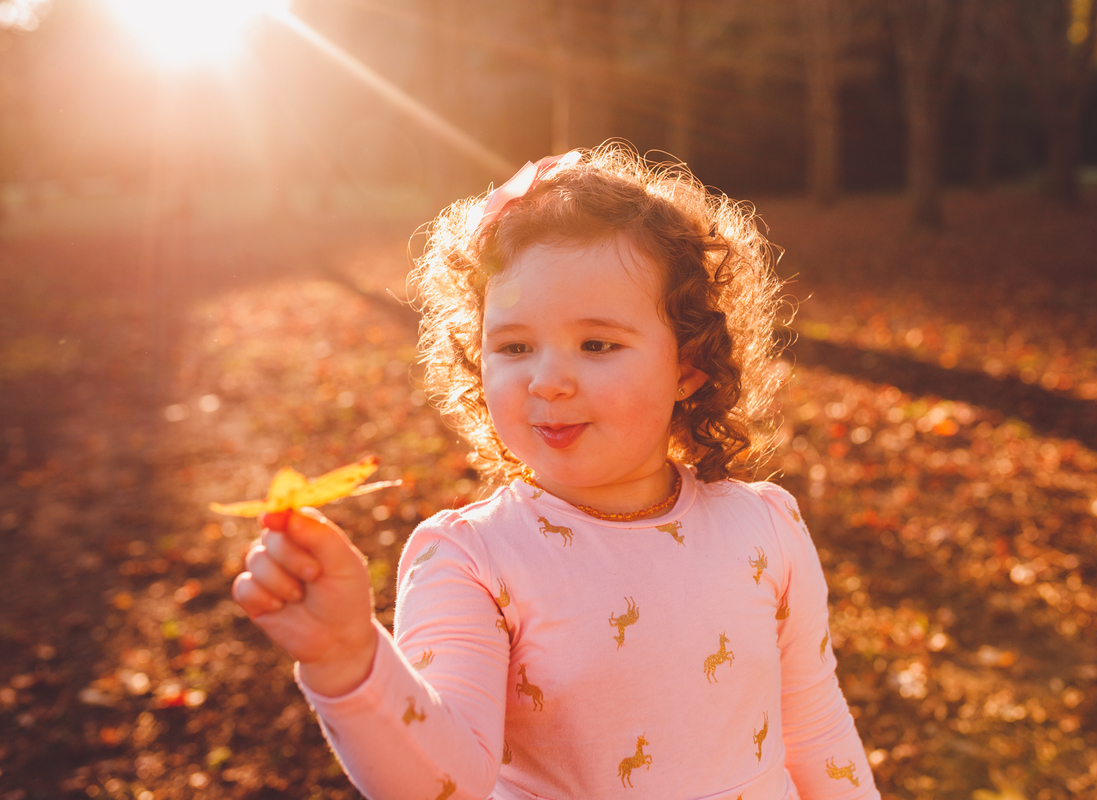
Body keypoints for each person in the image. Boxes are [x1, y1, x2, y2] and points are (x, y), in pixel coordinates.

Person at [232, 143, 879, 800]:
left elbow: (818, 732)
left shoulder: (765, 527)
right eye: (514, 346)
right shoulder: (472, 561)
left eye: (596, 344)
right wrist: (347, 659)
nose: (547, 381)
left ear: (687, 366)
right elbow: (444, 783)